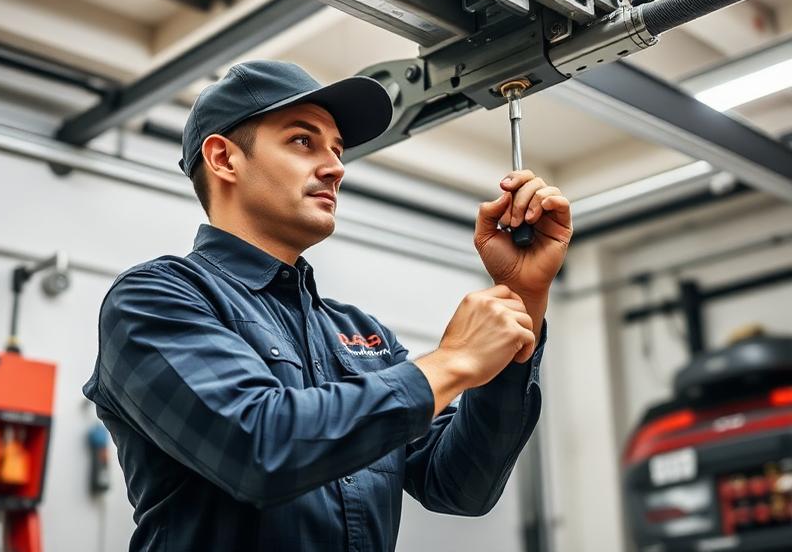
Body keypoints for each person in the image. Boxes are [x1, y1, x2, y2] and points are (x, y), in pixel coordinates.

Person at [83, 60, 573, 551]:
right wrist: (453, 362)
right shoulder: (156, 299)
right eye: (303, 141)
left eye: (338, 150)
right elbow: (258, 448)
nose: (337, 167)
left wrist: (523, 295)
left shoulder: (362, 334)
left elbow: (461, 486)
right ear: (224, 159)